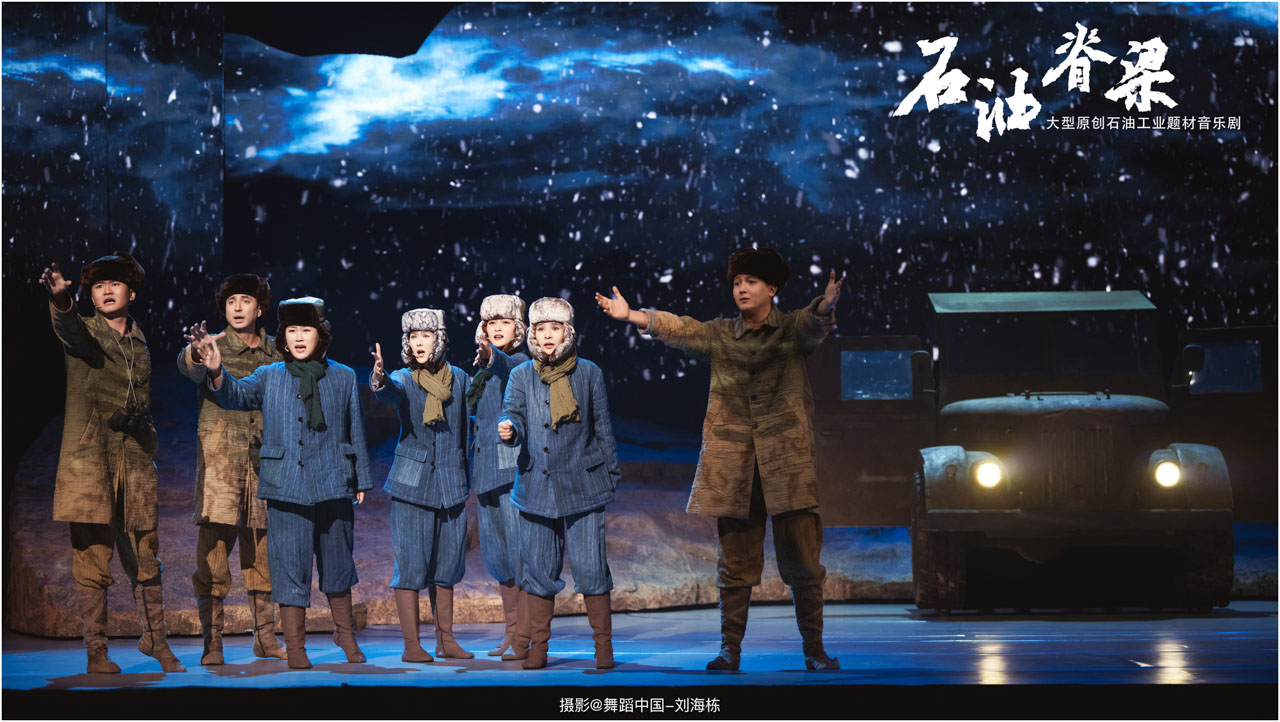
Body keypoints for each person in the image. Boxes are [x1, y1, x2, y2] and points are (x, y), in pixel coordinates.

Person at [595, 247, 845, 671]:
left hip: (787, 468)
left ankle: (814, 651)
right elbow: (682, 329)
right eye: (737, 282)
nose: (742, 289)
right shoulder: (721, 334)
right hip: (736, 469)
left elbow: (811, 323)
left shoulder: (790, 331)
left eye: (751, 282)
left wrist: (825, 305)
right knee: (735, 566)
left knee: (804, 563)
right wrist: (634, 315)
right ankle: (730, 650)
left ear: (772, 288)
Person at [188, 296, 372, 670]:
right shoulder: (270, 375)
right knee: (290, 566)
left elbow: (355, 428)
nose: (299, 338)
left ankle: (345, 635)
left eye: (306, 330)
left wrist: (361, 477)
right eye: (292, 331)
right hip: (287, 484)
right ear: (283, 337)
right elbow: (236, 394)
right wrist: (217, 371)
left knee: (338, 563)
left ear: (321, 335)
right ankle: (296, 646)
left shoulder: (343, 376)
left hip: (333, 481)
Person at [39, 252, 185, 674]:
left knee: (145, 554)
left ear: (131, 293)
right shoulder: (85, 332)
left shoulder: (138, 339)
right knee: (92, 556)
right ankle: (96, 653)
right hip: (91, 462)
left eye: (114, 284)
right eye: (98, 286)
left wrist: (147, 438)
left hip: (135, 461)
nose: (105, 291)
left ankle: (155, 641)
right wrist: (61, 299)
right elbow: (68, 327)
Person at [498, 297, 621, 670]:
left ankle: (603, 647)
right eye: (541, 329)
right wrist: (509, 429)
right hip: (536, 483)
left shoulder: (588, 372)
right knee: (538, 570)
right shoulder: (522, 375)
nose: (548, 335)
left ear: (567, 332)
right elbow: (513, 413)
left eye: (555, 328)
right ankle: (539, 647)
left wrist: (611, 475)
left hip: (584, 482)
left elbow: (603, 427)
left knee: (591, 568)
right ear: (532, 334)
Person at [176, 274, 286, 664]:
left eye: (245, 300)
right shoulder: (213, 346)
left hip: (264, 465)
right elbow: (189, 367)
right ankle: (213, 641)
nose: (237, 307)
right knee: (213, 557)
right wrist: (197, 353)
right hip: (221, 466)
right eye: (230, 301)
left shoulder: (277, 352)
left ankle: (266, 637)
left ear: (260, 307)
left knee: (263, 555)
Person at [369, 308, 473, 662]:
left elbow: (468, 422)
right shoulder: (404, 378)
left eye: (426, 336)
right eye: (413, 337)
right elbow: (390, 391)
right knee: (411, 565)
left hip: (451, 482)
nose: (419, 343)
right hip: (412, 484)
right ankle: (411, 645)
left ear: (439, 339)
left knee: (447, 565)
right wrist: (379, 378)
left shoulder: (459, 378)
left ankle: (446, 640)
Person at [465, 294, 531, 659]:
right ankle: (511, 631)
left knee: (518, 553)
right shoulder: (481, 369)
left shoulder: (521, 363)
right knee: (498, 555)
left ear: (517, 328)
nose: (497, 329)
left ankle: (524, 635)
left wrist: (493, 358)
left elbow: (509, 367)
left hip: (510, 470)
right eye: (491, 324)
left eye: (504, 323)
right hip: (486, 469)